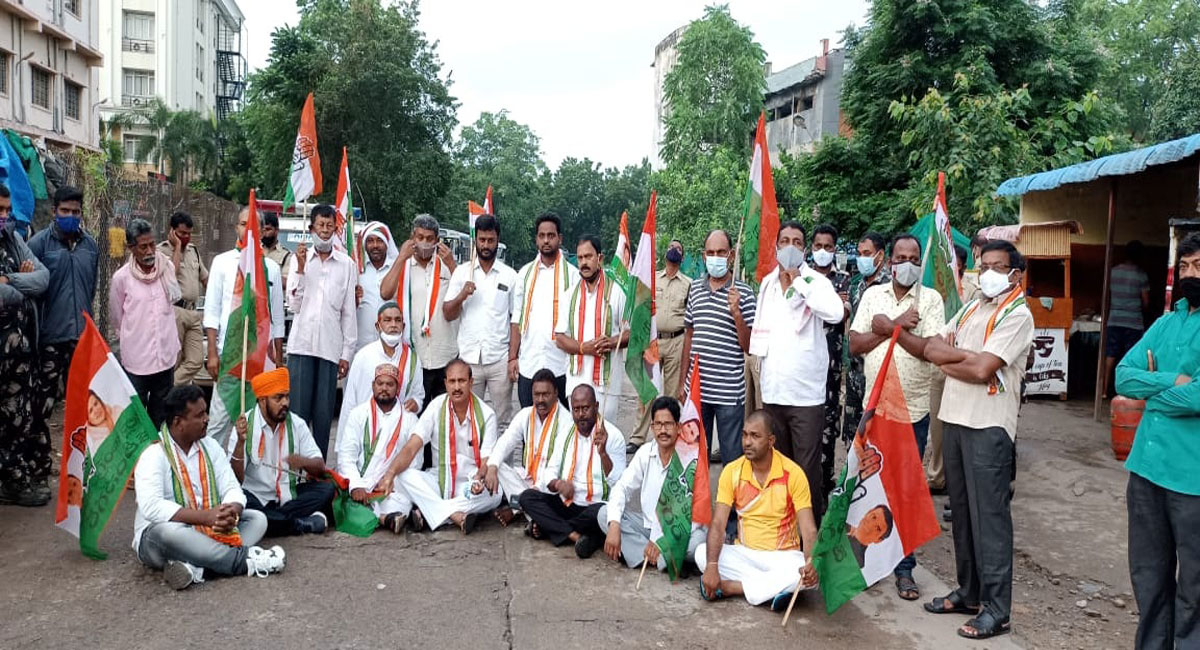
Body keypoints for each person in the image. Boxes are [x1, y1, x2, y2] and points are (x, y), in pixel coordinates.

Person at [921, 240, 1034, 640]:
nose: (986, 272)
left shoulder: (1017, 315)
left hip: (988, 426)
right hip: (954, 419)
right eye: (983, 264)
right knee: (964, 516)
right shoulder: (972, 306)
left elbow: (985, 367)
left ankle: (997, 610)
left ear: (1015, 274)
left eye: (997, 266)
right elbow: (933, 345)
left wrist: (954, 358)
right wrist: (960, 359)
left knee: (991, 520)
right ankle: (969, 592)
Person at [848, 233, 945, 601]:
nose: (907, 263)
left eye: (914, 257)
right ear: (889, 261)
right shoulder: (873, 295)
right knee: (870, 484)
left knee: (905, 490)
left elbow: (927, 351)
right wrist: (897, 324)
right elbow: (855, 344)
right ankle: (869, 563)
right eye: (901, 257)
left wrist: (891, 327)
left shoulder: (931, 300)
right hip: (875, 409)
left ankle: (904, 569)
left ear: (920, 262)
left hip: (912, 411)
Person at [1115, 232, 1200, 650]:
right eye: (1184, 266)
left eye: (1199, 266)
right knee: (1149, 575)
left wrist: (1152, 391)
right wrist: (1173, 381)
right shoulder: (1167, 322)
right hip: (1146, 471)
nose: (1190, 274)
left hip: (1193, 479)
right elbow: (1123, 376)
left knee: (1195, 587)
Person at [133, 385, 283, 590]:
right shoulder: (154, 454)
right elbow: (150, 506)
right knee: (167, 531)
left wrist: (230, 511)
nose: (207, 419)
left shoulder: (210, 446)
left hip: (209, 530)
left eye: (206, 412)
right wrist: (204, 517)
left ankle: (197, 570)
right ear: (178, 422)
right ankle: (244, 561)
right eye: (200, 415)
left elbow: (232, 486)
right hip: (160, 540)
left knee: (257, 518)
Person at [750, 221, 843, 524]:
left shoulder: (816, 282)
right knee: (777, 469)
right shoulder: (766, 284)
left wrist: (798, 282)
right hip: (774, 392)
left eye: (797, 242)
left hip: (806, 398)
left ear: (804, 248)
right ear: (776, 246)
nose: (790, 246)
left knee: (805, 474)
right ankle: (782, 533)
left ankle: (808, 545)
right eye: (785, 241)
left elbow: (835, 313)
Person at [696, 410, 819, 609]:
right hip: (744, 552)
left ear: (771, 441)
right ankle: (773, 590)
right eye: (744, 435)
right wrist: (711, 567)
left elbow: (808, 529)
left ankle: (731, 588)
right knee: (702, 554)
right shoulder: (732, 471)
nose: (747, 442)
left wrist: (812, 563)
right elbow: (718, 523)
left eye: (755, 436)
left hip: (782, 556)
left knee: (807, 574)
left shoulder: (793, 474)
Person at [27, 186, 98, 506]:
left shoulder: (91, 247)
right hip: (48, 340)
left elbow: (90, 288)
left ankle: (81, 474)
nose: (71, 217)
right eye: (65, 211)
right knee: (41, 407)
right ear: (54, 210)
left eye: (76, 212)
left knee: (83, 408)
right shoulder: (38, 246)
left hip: (81, 340)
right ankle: (40, 471)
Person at [374, 360, 502, 534]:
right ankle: (455, 515)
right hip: (439, 479)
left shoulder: (487, 414)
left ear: (471, 382)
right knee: (403, 475)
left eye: (462, 381)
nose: (457, 387)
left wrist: (479, 480)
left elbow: (487, 459)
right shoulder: (436, 407)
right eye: (452, 381)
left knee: (496, 493)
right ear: (445, 383)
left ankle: (429, 511)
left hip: (471, 483)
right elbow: (412, 447)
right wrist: (389, 474)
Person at [203, 205, 286, 445]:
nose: (248, 229)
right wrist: (212, 355)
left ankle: (247, 473)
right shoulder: (221, 263)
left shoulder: (270, 268)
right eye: (243, 224)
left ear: (262, 230)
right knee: (219, 422)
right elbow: (211, 311)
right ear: (236, 228)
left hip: (260, 360)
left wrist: (278, 358)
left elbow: (277, 318)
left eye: (254, 225)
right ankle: (211, 473)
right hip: (228, 357)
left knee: (256, 421)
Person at [519, 384, 626, 558]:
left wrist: (603, 453)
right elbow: (549, 472)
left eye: (586, 408)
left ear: (596, 407)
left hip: (596, 507)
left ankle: (551, 528)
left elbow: (619, 483)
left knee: (600, 515)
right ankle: (576, 536)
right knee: (528, 497)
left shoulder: (613, 436)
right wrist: (559, 484)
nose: (581, 414)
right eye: (576, 410)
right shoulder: (566, 433)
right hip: (570, 503)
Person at [601, 396, 706, 573]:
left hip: (678, 532)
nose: (663, 430)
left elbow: (695, 516)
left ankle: (656, 554)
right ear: (651, 427)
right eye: (658, 424)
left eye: (668, 424)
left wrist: (663, 541)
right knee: (605, 514)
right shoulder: (645, 453)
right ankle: (659, 559)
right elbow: (621, 488)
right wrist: (614, 525)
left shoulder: (692, 460)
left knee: (697, 544)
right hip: (647, 528)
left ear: (679, 427)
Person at [286, 204, 359, 456]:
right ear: (311, 228)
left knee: (323, 413)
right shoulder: (299, 259)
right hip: (301, 346)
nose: (325, 232)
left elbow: (348, 312)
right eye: (320, 226)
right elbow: (293, 305)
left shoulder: (346, 265)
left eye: (330, 226)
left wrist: (347, 353)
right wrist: (300, 269)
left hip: (330, 348)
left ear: (336, 229)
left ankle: (317, 473)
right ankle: (295, 472)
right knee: (297, 412)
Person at [679, 229, 755, 467]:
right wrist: (682, 382)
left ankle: (732, 505)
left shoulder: (744, 293)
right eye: (711, 252)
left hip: (729, 393)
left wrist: (736, 313)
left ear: (731, 255)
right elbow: (689, 337)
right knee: (695, 454)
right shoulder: (695, 289)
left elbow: (749, 346)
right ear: (703, 256)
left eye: (721, 252)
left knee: (732, 458)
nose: (716, 257)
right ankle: (697, 505)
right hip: (697, 388)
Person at [229, 368, 335, 537]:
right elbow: (235, 478)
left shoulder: (296, 424)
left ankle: (275, 522)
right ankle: (299, 524)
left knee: (326, 490)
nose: (285, 403)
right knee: (239, 500)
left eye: (286, 396)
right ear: (262, 400)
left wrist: (302, 462)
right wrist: (241, 443)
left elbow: (320, 467)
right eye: (278, 398)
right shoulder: (245, 425)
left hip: (288, 497)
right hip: (256, 497)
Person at [443, 215, 518, 430]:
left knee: (503, 419)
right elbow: (448, 314)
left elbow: (516, 321)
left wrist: (513, 357)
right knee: (468, 417)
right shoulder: (461, 272)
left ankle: (503, 464)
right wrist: (461, 296)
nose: (486, 245)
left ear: (498, 240)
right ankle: (473, 463)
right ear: (475, 239)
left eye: (490, 240)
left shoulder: (509, 276)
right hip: (469, 359)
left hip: (499, 359)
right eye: (482, 240)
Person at [0, 184, 49, 506]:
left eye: (7, 210)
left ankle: (18, 478)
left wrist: (11, 278)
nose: (4, 217)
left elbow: (43, 278)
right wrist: (19, 284)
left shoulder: (13, 240)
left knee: (21, 416)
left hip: (21, 351)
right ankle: (11, 483)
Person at [379, 214, 458, 411]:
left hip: (444, 354)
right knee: (416, 416)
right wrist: (400, 258)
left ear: (437, 241)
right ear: (412, 238)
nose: (424, 243)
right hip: (414, 356)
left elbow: (463, 295)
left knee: (443, 416)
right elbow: (385, 293)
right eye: (419, 237)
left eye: (429, 239)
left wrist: (452, 264)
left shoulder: (446, 267)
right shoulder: (402, 266)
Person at [109, 218, 182, 429]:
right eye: (143, 246)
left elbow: (174, 296)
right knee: (137, 419)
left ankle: (160, 457)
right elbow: (117, 316)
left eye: (152, 244)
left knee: (161, 418)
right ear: (131, 248)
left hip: (165, 358)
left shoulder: (165, 268)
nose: (150, 251)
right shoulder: (121, 278)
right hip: (137, 361)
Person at [336, 363, 419, 534]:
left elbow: (415, 460)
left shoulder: (410, 418)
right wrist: (356, 486)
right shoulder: (358, 414)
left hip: (393, 486)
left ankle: (388, 516)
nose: (384, 388)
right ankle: (387, 519)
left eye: (390, 384)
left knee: (401, 500)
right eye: (380, 384)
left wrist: (393, 480)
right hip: (362, 483)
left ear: (398, 388)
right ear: (373, 386)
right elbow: (346, 456)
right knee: (339, 501)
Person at [484, 368, 572, 529]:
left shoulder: (566, 422)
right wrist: (492, 466)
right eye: (536, 395)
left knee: (554, 491)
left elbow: (556, 468)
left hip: (549, 487)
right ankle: (533, 514)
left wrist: (535, 492)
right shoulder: (526, 414)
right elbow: (506, 441)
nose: (540, 400)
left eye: (545, 394)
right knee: (497, 466)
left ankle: (519, 510)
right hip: (527, 481)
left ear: (556, 393)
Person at [555, 235, 629, 423]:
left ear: (600, 258)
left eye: (588, 257)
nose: (584, 263)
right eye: (580, 258)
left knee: (604, 435)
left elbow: (632, 333)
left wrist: (611, 342)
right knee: (579, 435)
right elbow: (560, 338)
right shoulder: (569, 295)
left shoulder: (617, 292)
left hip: (606, 383)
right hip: (575, 381)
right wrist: (583, 348)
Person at [627, 238, 691, 451]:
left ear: (682, 256)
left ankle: (669, 437)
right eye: (672, 247)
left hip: (676, 341)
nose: (674, 251)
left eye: (679, 249)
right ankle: (637, 437)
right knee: (647, 391)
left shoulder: (688, 284)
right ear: (665, 253)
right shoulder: (653, 280)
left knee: (672, 393)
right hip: (654, 341)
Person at [511, 213, 578, 409]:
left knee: (563, 427)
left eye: (551, 235)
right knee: (529, 425)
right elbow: (517, 317)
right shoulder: (524, 274)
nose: (546, 240)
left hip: (561, 365)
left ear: (560, 238)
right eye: (542, 236)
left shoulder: (573, 277)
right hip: (529, 363)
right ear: (536, 239)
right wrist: (512, 357)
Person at [338, 301, 425, 445]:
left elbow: (418, 395)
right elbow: (350, 403)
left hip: (397, 436)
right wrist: (343, 444)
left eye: (398, 320)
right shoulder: (363, 356)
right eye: (387, 320)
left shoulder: (412, 358)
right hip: (366, 433)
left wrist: (416, 403)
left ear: (403, 326)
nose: (393, 325)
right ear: (378, 326)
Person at [810, 223, 852, 499]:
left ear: (834, 249)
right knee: (806, 427)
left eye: (828, 247)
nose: (822, 251)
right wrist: (831, 304)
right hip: (806, 364)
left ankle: (824, 487)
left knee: (828, 425)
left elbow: (841, 314)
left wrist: (826, 306)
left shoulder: (844, 278)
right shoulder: (803, 278)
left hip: (832, 367)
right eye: (818, 246)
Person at [843, 232, 891, 443]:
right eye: (860, 253)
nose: (862, 258)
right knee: (854, 439)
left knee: (878, 439)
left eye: (867, 253)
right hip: (855, 373)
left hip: (880, 373)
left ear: (880, 256)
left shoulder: (891, 285)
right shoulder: (857, 285)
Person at [158, 211, 208, 385]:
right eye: (182, 234)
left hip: (193, 312)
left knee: (196, 360)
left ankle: (168, 389)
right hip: (175, 311)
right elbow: (171, 272)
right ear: (172, 232)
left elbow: (205, 278)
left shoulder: (194, 251)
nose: (186, 237)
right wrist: (177, 246)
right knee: (174, 360)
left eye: (189, 233)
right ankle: (165, 397)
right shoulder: (161, 251)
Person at [1105, 240, 1151, 398]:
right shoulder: (1141, 275)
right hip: (1133, 322)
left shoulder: (1113, 272)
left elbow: (1107, 296)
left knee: (1110, 355)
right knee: (1130, 357)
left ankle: (1104, 390)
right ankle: (1125, 392)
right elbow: (1146, 302)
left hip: (1114, 319)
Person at [354, 221, 400, 354]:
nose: (375, 245)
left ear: (387, 243)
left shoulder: (397, 268)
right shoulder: (356, 269)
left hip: (391, 344)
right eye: (370, 241)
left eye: (379, 241)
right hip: (361, 345)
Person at [260, 213, 293, 293]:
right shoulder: (255, 251)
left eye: (268, 230)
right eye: (262, 230)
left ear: (276, 231)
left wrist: (264, 276)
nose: (265, 233)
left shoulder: (287, 255)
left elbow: (288, 283)